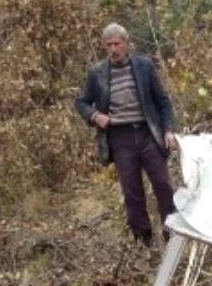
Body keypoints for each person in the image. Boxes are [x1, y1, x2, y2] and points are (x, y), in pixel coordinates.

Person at [75, 23, 179, 248]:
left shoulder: (144, 65)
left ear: (126, 43)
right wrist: (95, 116)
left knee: (163, 185)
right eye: (109, 45)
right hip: (120, 138)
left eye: (117, 44)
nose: (113, 49)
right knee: (132, 191)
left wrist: (168, 130)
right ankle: (144, 242)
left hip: (148, 132)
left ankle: (173, 234)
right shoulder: (98, 73)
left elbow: (162, 102)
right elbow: (81, 102)